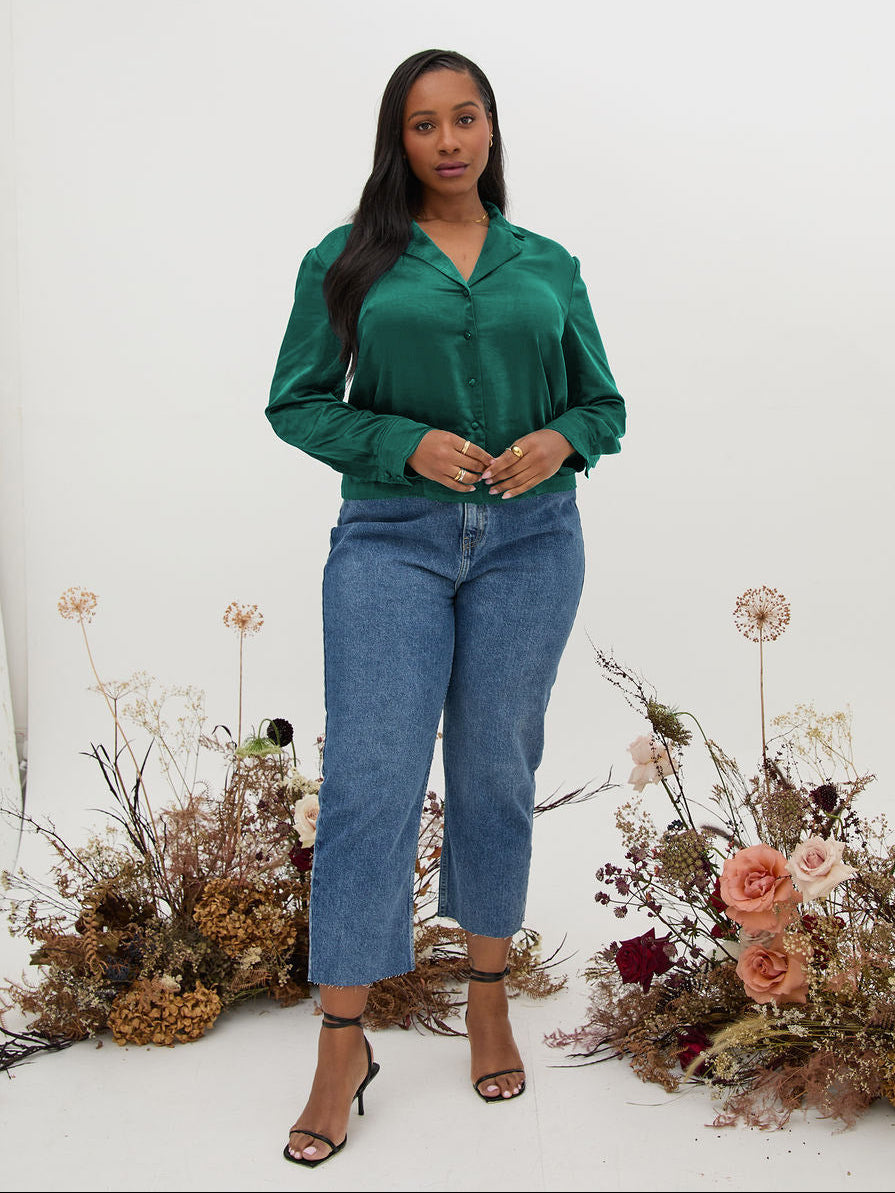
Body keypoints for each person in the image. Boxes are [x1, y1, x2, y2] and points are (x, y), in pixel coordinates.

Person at [266, 48, 625, 1166]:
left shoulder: (546, 263)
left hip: (532, 544)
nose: (450, 140)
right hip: (390, 540)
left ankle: (485, 995)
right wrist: (401, 440)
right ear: (400, 142)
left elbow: (603, 403)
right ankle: (341, 1041)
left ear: (491, 128)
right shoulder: (348, 260)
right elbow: (295, 403)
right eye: (425, 125)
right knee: (371, 775)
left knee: (492, 771)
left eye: (466, 118)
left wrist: (559, 436)